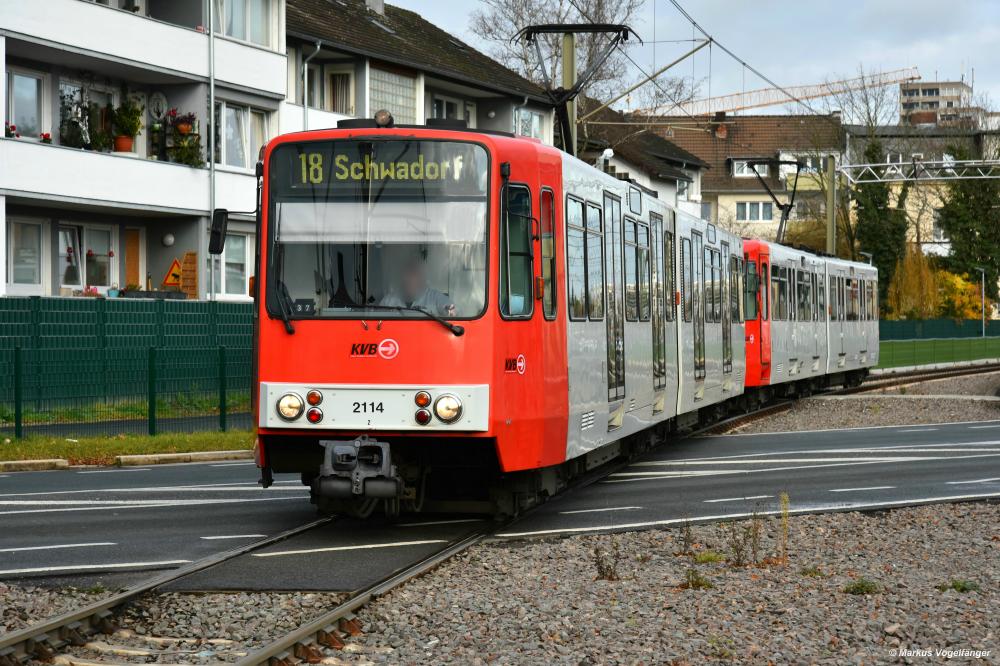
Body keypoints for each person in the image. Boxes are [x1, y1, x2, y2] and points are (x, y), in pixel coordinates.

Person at [380, 258, 456, 317]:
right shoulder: (389, 300)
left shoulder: (434, 297)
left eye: (415, 274)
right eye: (408, 274)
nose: (411, 279)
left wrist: (451, 311)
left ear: (422, 279)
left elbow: (453, 310)